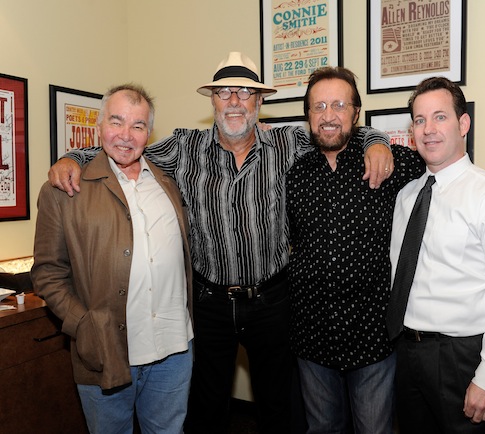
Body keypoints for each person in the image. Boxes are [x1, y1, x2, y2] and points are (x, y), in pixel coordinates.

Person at [45, 52, 394, 434]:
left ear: (259, 103)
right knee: (205, 409)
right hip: (209, 302)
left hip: (273, 300)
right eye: (224, 92)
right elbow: (124, 148)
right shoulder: (183, 148)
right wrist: (72, 157)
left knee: (279, 406)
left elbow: (337, 128)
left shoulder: (288, 143)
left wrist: (377, 142)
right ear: (211, 100)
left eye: (245, 93)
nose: (233, 101)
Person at [286, 68, 485, 434]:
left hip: (402, 346)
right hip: (348, 342)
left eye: (339, 104)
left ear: (356, 112)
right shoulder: (401, 191)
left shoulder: (406, 169)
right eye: (420, 120)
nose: (429, 129)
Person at [31, 84, 194, 434]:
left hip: (175, 348)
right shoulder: (64, 190)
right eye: (116, 122)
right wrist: (82, 324)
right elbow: (47, 273)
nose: (125, 135)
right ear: (98, 126)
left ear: (149, 133)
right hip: (106, 350)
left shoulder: (169, 181)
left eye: (137, 125)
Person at [387, 76, 485, 434]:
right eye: (420, 120)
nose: (428, 129)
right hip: (409, 354)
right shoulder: (407, 196)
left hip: (466, 358)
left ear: (463, 123)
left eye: (440, 117)